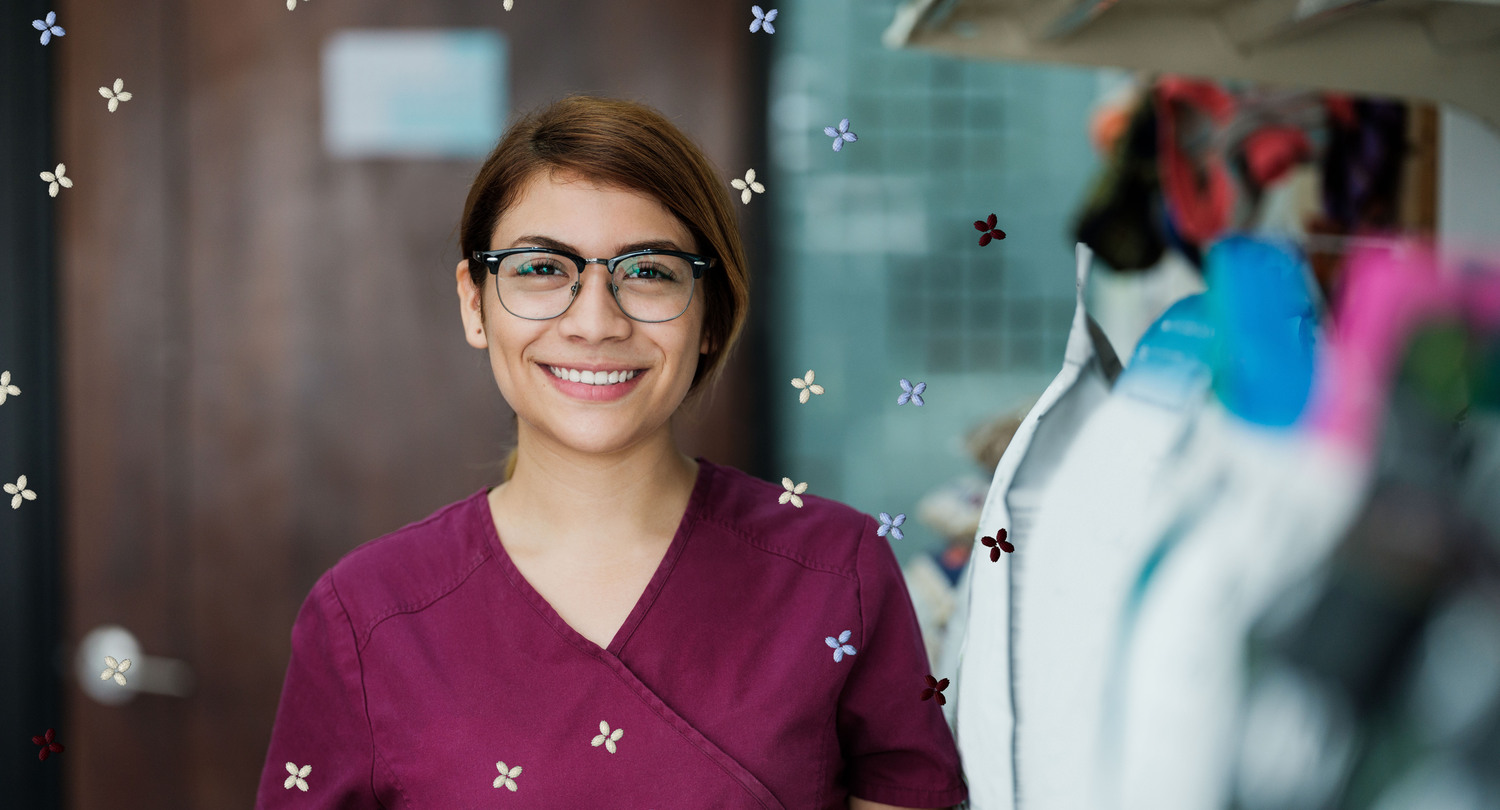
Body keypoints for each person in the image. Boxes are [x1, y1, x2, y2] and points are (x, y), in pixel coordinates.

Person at [253, 94, 967, 809]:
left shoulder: (835, 572)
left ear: (709, 314)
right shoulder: (366, 613)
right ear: (475, 303)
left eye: (649, 271)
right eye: (541, 268)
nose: (595, 322)